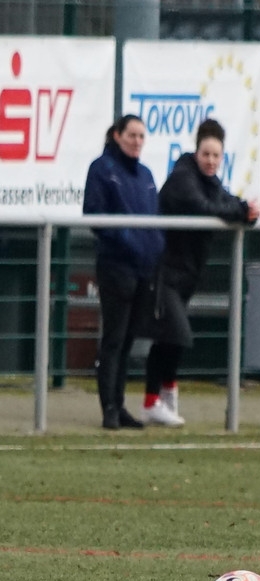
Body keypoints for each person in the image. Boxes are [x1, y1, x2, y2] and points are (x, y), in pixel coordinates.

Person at [142, 118, 260, 426]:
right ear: (196, 152)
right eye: (206, 154)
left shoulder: (210, 181)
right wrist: (240, 211)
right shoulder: (183, 178)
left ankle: (163, 395)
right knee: (175, 333)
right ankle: (154, 399)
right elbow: (204, 207)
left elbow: (226, 201)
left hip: (187, 274)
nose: (211, 161)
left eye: (216, 155)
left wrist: (247, 212)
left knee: (170, 338)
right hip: (163, 270)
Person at [83, 114, 164, 431]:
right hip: (116, 266)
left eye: (141, 136)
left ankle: (119, 404)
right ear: (117, 135)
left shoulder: (145, 175)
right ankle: (109, 407)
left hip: (144, 269)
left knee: (129, 339)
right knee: (114, 339)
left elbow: (154, 219)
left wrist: (154, 247)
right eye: (132, 135)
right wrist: (128, 241)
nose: (137, 141)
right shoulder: (102, 169)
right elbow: (95, 215)